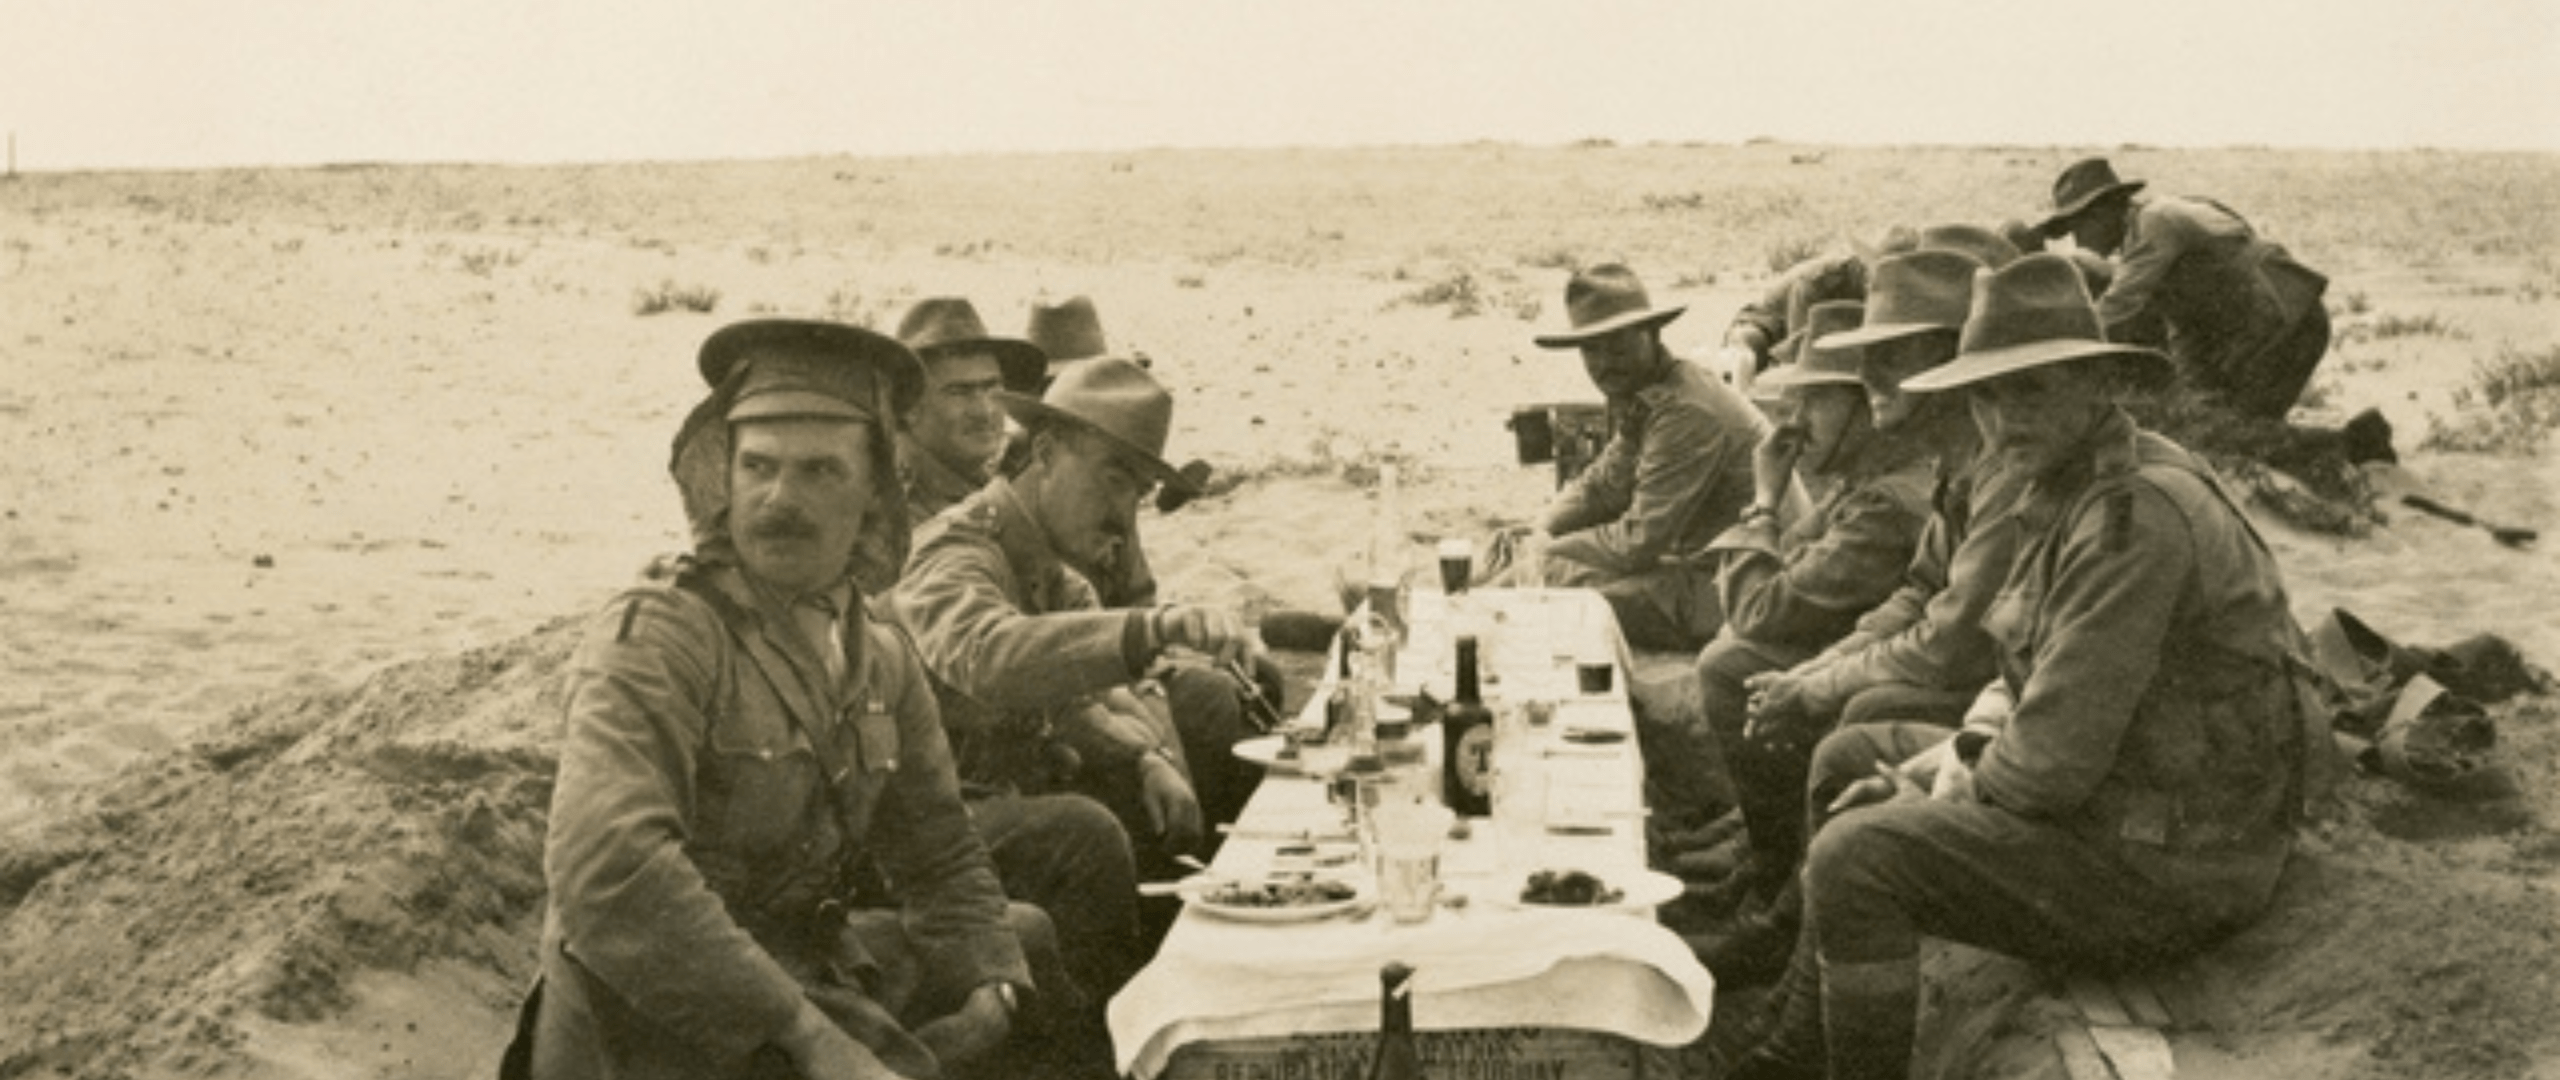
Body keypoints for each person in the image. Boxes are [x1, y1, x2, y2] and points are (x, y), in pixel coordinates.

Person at [1718, 253, 2320, 1080]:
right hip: (2137, 806)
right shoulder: (2068, 483)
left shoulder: (2129, 518)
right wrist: (1934, 766)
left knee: (1862, 858)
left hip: (2180, 862)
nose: (2004, 419)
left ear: (2095, 382)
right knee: (1853, 757)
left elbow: (2046, 768)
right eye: (1988, 394)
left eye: (2031, 388)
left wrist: (1927, 784)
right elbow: (2016, 668)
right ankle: (1797, 1039)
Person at [507, 319, 1086, 1080]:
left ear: (875, 490)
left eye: (820, 472)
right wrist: (810, 1037)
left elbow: (937, 844)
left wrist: (987, 978)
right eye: (759, 467)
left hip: (798, 974)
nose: (781, 498)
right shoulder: (659, 635)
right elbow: (612, 877)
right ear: (726, 475)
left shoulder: (876, 649)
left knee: (1025, 954)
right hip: (657, 1020)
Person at [888, 356, 1268, 886]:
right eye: (1112, 480)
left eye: (1137, 494)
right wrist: (1154, 627)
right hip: (906, 822)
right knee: (1082, 833)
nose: (1123, 516)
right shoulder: (955, 550)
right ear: (1045, 453)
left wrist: (1148, 761)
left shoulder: (1057, 575)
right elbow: (988, 655)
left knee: (1147, 786)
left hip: (993, 797)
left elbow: (1106, 697)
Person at [892, 298, 1151, 1008]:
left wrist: (1141, 738)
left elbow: (1086, 605)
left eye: (988, 390)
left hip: (995, 755)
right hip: (930, 788)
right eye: (957, 391)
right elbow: (986, 654)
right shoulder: (906, 519)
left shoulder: (998, 496)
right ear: (907, 412)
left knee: (1159, 742)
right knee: (1084, 830)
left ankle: (1153, 973)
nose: (981, 409)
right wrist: (1135, 662)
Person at [1670, 300, 1935, 967]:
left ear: (1860, 407)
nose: (1792, 422)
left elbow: (1756, 607)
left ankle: (1777, 879)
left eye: (1814, 403)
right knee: (1735, 655)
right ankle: (1760, 853)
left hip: (1895, 671)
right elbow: (1763, 586)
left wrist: (1764, 496)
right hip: (1856, 644)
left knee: (1732, 664)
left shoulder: (1887, 501)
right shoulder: (1862, 483)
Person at [1494, 263, 1766, 651]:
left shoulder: (1687, 411)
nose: (1605, 364)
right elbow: (1601, 486)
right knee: (1513, 552)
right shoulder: (1649, 394)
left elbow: (1637, 543)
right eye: (1591, 350)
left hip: (1732, 591)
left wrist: (1546, 552)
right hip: (1692, 571)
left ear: (1651, 335)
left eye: (1618, 346)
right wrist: (1541, 528)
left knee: (1543, 584)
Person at [2033, 157, 2331, 420]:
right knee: (2218, 420)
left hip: (2288, 320)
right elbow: (2182, 324)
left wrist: (2056, 351)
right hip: (2269, 326)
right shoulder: (2145, 237)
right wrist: (2191, 389)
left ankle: (2354, 448)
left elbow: (2117, 306)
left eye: (2077, 226)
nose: (2077, 241)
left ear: (2104, 211)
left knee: (2244, 426)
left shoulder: (2155, 224)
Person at [895, 297, 1047, 526]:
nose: (984, 410)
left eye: (992, 387)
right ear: (909, 407)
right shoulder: (893, 503)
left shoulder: (978, 480)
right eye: (959, 392)